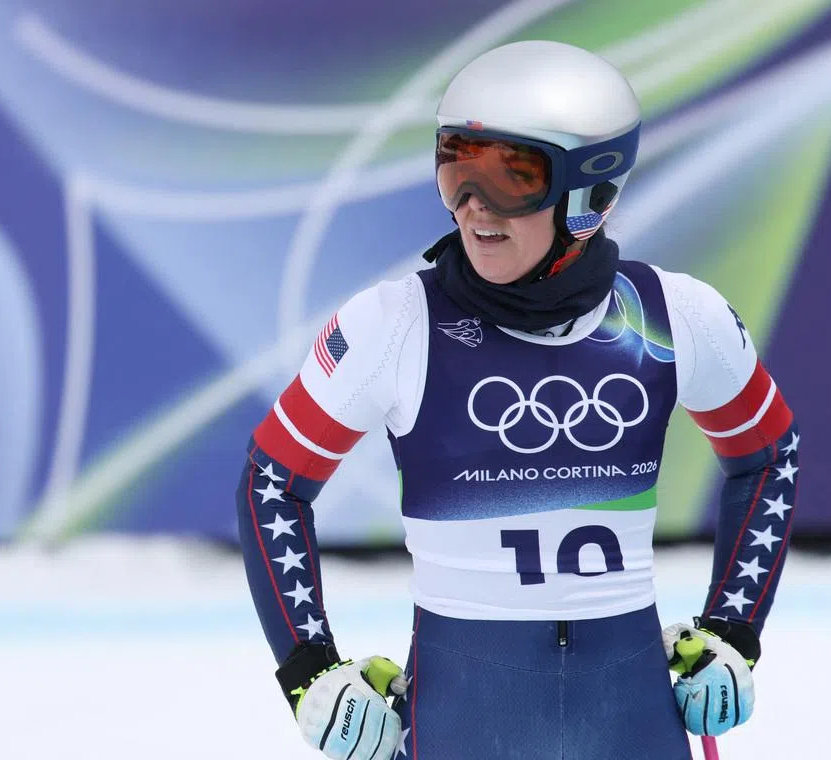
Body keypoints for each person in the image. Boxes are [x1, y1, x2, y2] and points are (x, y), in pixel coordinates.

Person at [236, 40, 800, 760]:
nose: (474, 208)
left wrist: (732, 631)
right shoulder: (392, 324)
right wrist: (308, 672)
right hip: (463, 722)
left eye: (513, 176)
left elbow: (770, 456)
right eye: (456, 168)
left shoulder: (675, 316)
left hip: (630, 721)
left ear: (590, 194)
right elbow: (271, 482)